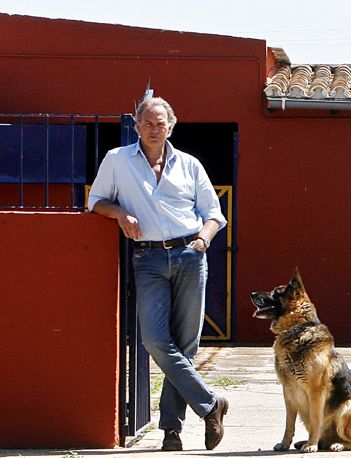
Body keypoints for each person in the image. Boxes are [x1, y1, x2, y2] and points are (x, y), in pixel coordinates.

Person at [88, 97, 228, 451]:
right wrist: (120, 213)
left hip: (189, 255)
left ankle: (171, 431)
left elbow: (213, 213)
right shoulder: (117, 160)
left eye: (160, 123)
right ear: (136, 126)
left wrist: (203, 240)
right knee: (154, 340)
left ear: (171, 126)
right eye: (147, 123)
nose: (154, 129)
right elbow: (96, 200)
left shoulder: (190, 164)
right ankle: (211, 404)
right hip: (147, 259)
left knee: (185, 345)